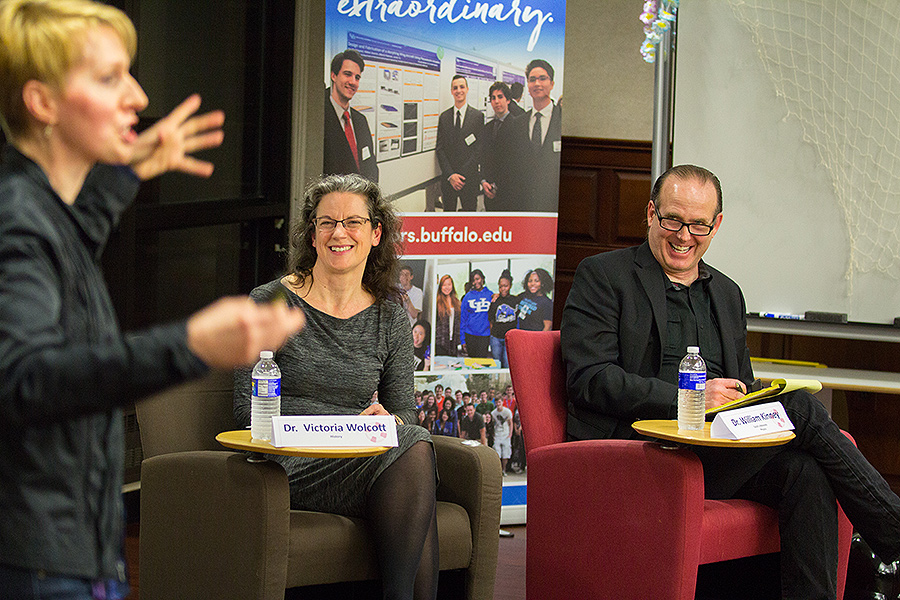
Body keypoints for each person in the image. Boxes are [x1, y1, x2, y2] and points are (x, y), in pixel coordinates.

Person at [0, 1, 305, 597]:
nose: (138, 97)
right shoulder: (18, 219)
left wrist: (129, 170)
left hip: (68, 548)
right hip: (40, 560)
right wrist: (190, 345)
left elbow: (68, 241)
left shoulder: (39, 209)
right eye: (109, 77)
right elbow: (24, 380)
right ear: (42, 102)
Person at [560, 164, 900, 599]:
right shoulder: (604, 275)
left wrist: (754, 397)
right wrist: (691, 398)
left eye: (698, 225)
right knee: (801, 410)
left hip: (714, 450)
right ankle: (893, 532)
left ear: (716, 224)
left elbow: (741, 384)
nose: (684, 236)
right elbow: (589, 379)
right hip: (638, 450)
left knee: (806, 470)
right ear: (650, 213)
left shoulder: (726, 293)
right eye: (672, 220)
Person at [234, 173, 439, 600]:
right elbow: (244, 410)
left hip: (356, 455)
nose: (339, 233)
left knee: (413, 444)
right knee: (415, 461)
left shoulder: (389, 316)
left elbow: (405, 412)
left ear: (376, 233)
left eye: (353, 222)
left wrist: (389, 420)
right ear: (312, 235)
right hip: (287, 459)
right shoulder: (270, 301)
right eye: (327, 222)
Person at [323, 49, 378, 182]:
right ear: (333, 75)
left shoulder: (360, 120)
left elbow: (371, 166)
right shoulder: (320, 116)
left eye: (357, 77)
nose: (353, 82)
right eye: (347, 74)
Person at [435, 74, 483, 212]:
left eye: (462, 87)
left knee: (469, 218)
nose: (458, 90)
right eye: (455, 88)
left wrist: (461, 175)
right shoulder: (444, 117)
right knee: (448, 218)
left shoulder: (477, 117)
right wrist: (451, 175)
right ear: (451, 91)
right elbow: (440, 149)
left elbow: (479, 149)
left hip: (469, 180)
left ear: (467, 89)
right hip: (449, 180)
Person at [480, 82, 527, 212]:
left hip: (509, 194)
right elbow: (483, 157)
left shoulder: (518, 127)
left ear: (508, 100)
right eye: (493, 98)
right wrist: (483, 181)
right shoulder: (487, 128)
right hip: (488, 191)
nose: (496, 101)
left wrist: (497, 186)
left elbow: (516, 164)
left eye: (500, 97)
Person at [522, 59, 562, 212]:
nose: (537, 83)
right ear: (528, 85)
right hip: (524, 203)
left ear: (551, 84)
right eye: (532, 80)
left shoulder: (563, 119)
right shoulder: (519, 122)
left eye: (542, 78)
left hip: (553, 204)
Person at [488, 269, 518, 367]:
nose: (503, 289)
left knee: (507, 364)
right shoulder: (495, 301)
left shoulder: (515, 300)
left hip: (509, 339)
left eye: (506, 286)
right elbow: (491, 319)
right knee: (496, 364)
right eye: (500, 286)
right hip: (496, 338)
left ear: (510, 286)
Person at [460, 269, 493, 358]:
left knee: (482, 362)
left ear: (482, 279)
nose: (476, 282)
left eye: (477, 279)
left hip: (484, 335)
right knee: (471, 363)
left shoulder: (490, 295)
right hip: (470, 335)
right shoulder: (467, 297)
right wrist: (462, 340)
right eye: (473, 280)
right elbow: (463, 318)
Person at [435, 274, 461, 356]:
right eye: (444, 285)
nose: (447, 287)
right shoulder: (437, 302)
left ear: (452, 286)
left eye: (449, 284)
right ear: (440, 287)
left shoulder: (456, 302)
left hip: (453, 342)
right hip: (441, 342)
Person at [491, 399, 514, 474]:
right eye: (496, 402)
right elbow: (492, 424)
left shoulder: (507, 411)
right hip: (497, 434)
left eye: (499, 402)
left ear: (502, 402)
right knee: (497, 453)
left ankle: (504, 470)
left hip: (506, 434)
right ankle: (499, 469)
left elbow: (510, 423)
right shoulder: (493, 413)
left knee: (505, 453)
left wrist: (510, 434)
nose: (498, 404)